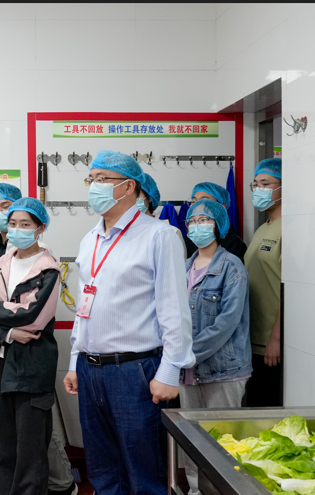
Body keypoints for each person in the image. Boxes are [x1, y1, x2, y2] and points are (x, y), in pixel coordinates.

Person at [63, 151, 195, 495]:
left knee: (144, 472)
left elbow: (174, 309)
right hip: (91, 369)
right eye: (91, 179)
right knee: (103, 469)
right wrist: (75, 361)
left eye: (102, 179)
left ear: (128, 186)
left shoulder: (159, 235)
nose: (94, 186)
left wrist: (170, 371)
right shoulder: (90, 239)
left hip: (135, 371)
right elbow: (84, 307)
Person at [0, 184, 76, 495]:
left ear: (40, 228)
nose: (16, 229)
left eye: (25, 224)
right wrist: (6, 330)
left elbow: (33, 318)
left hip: (32, 366)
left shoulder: (48, 269)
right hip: (1, 364)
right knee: (3, 449)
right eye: (13, 223)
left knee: (31, 453)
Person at [181, 200, 252, 495]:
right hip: (187, 370)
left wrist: (188, 353)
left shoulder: (232, 267)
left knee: (223, 441)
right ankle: (195, 490)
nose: (197, 226)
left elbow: (227, 322)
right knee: (191, 437)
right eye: (192, 221)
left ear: (218, 225)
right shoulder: (184, 267)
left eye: (204, 220)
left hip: (223, 369)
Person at [244, 158, 283, 407]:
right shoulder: (262, 229)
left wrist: (276, 338)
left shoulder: (287, 229)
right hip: (254, 339)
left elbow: (288, 289)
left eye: (266, 184)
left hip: (272, 342)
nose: (259, 189)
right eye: (255, 184)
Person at [185, 182, 247, 260]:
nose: (197, 205)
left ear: (222, 206)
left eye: (204, 200)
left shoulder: (234, 244)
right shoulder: (190, 238)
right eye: (194, 201)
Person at [137, 172, 187, 258]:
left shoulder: (170, 232)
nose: (130, 199)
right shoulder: (120, 232)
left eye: (137, 194)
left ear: (149, 198)